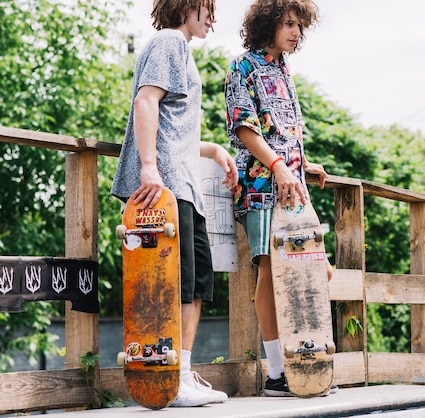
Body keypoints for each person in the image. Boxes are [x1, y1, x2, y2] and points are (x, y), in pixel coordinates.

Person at [111, 0, 237, 407]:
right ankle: (170, 379)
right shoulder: (169, 41)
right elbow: (146, 101)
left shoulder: (178, 47)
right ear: (186, 6)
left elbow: (174, 127)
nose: (212, 18)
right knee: (175, 284)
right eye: (207, 8)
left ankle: (179, 374)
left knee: (196, 283)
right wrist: (149, 168)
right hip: (165, 188)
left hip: (184, 185)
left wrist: (214, 149)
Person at [225, 0, 332, 397]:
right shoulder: (244, 66)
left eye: (299, 25)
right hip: (261, 186)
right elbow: (243, 127)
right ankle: (276, 374)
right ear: (267, 24)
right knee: (271, 274)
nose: (295, 32)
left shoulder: (284, 70)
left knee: (316, 269)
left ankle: (307, 363)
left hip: (292, 187)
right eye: (288, 24)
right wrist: (279, 167)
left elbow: (281, 133)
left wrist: (303, 165)